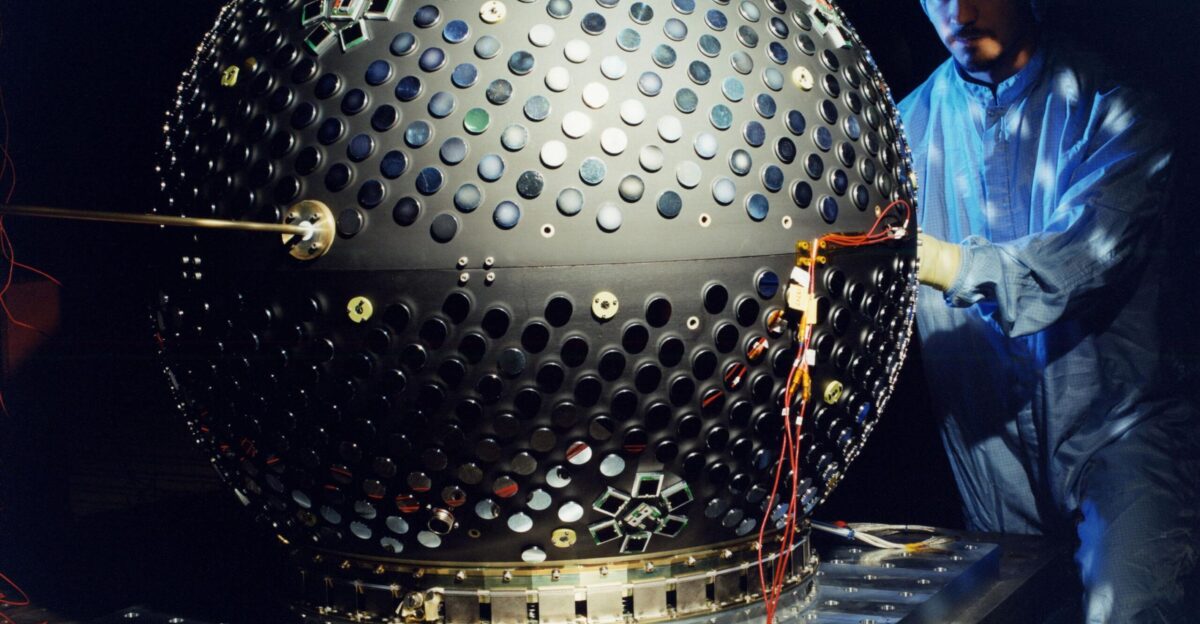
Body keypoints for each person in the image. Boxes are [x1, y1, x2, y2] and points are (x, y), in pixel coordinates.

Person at [899, 0, 1199, 620]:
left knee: (1130, 606)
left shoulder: (1116, 110)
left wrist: (943, 262)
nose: (960, 10)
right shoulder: (901, 134)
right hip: (988, 451)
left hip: (1117, 437)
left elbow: (1078, 261)